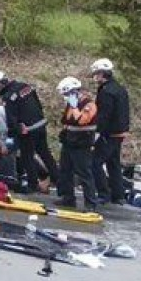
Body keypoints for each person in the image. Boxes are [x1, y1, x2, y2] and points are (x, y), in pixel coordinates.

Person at [0, 70, 58, 193]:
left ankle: (32, 184)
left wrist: (13, 134)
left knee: (27, 157)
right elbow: (37, 102)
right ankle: (58, 179)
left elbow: (11, 118)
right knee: (45, 154)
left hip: (27, 130)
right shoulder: (25, 86)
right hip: (40, 124)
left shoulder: (8, 96)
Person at [55, 76, 100, 210]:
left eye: (67, 94)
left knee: (84, 173)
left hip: (82, 143)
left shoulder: (89, 105)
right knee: (65, 170)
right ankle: (68, 198)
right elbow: (67, 121)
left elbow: (81, 120)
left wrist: (75, 107)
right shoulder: (71, 103)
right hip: (69, 142)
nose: (66, 97)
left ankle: (90, 203)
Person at [90, 58, 130, 204]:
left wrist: (96, 132)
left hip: (109, 133)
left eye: (96, 73)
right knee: (113, 163)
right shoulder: (119, 88)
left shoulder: (106, 92)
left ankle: (103, 193)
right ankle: (118, 195)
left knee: (95, 162)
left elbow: (104, 115)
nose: (95, 76)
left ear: (102, 74)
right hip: (120, 132)